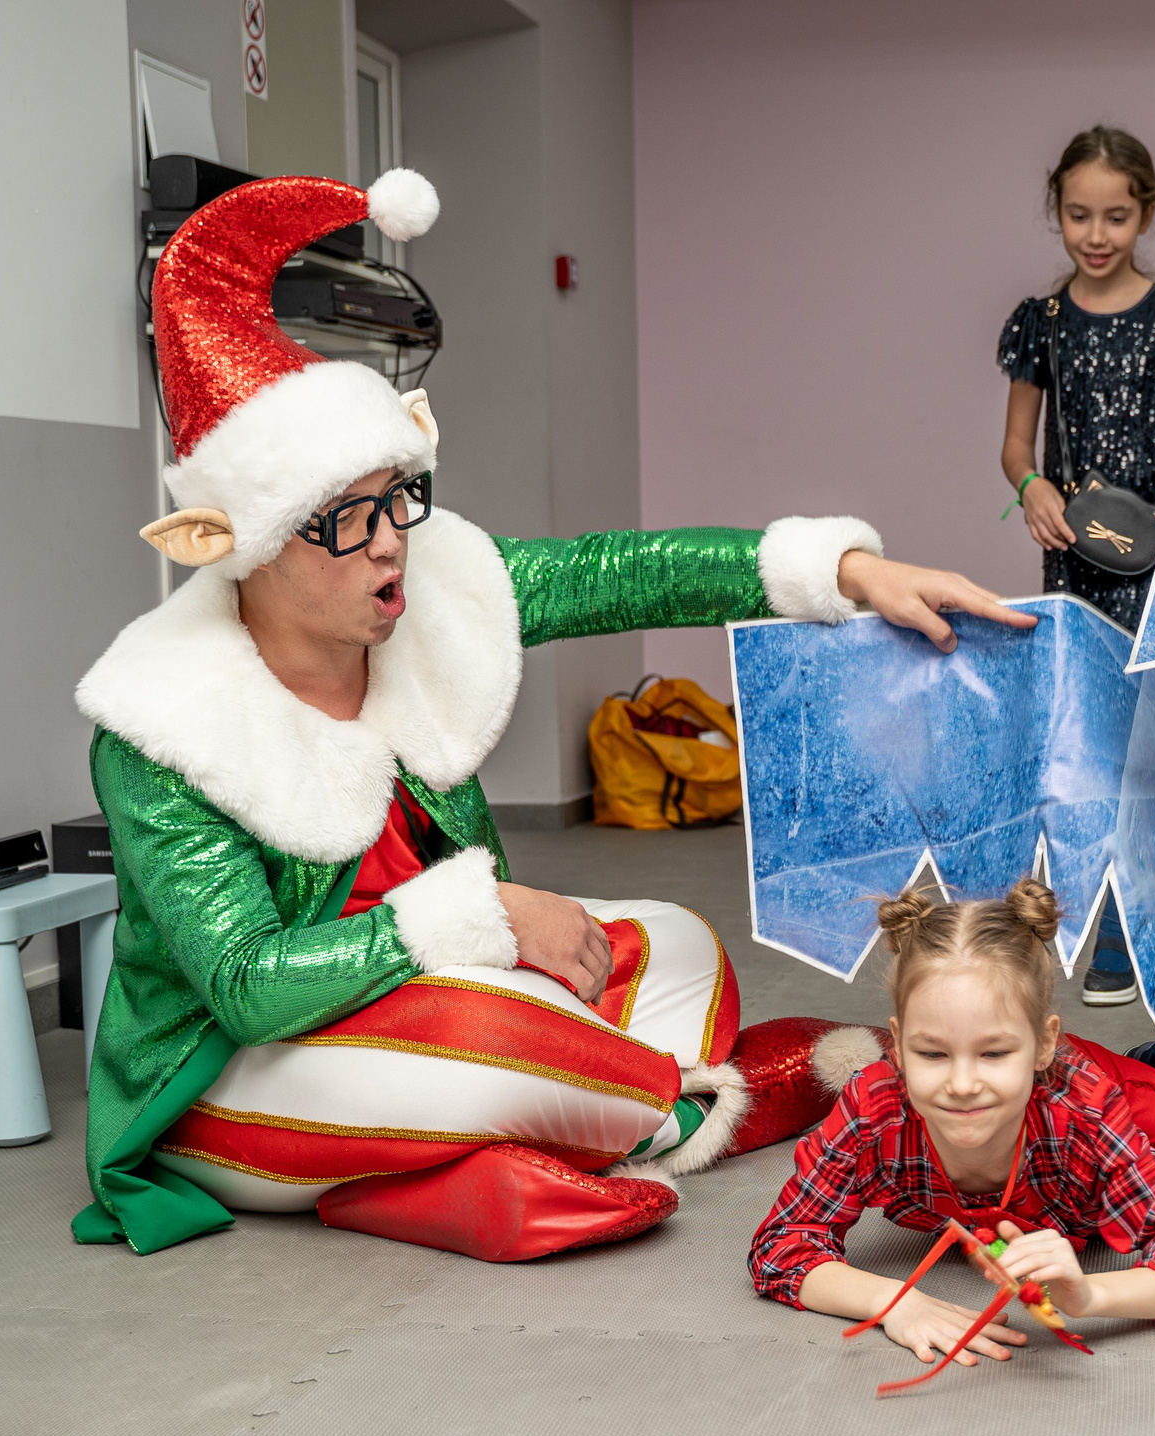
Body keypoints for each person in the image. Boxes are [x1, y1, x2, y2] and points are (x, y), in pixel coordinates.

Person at [75, 169, 1031, 1262]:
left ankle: (486, 1164)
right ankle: (674, 1105)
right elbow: (245, 990)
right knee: (493, 1037)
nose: (389, 542)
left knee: (674, 945)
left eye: (396, 499)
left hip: (433, 1005)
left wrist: (851, 568)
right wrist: (482, 919)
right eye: (343, 521)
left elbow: (622, 573)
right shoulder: (164, 729)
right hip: (235, 1075)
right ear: (240, 542)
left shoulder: (429, 590)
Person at [749, 881, 1155, 1369]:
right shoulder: (875, 1106)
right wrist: (893, 1300)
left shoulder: (1086, 1115)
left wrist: (1090, 1296)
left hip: (1092, 1085)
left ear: (1043, 1042)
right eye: (932, 1053)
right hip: (1028, 1089)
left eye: (993, 1052)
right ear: (897, 1045)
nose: (962, 1084)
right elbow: (781, 1246)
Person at [999, 126, 1155, 1008]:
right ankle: (1095, 929)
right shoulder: (1041, 322)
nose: (1097, 234)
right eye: (1078, 215)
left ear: (1147, 214)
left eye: (1117, 216)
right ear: (1057, 211)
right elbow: (1017, 443)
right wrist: (1032, 488)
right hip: (1078, 569)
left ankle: (1146, 929)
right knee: (1086, 749)